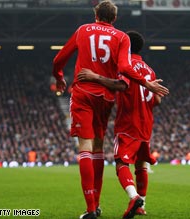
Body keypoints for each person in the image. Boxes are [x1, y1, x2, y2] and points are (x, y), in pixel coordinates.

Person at [52, 1, 169, 219]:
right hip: (106, 97)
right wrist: (148, 83)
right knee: (98, 149)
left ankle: (91, 209)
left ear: (95, 14)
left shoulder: (83, 30)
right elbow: (125, 69)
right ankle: (103, 205)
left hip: (84, 91)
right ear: (114, 19)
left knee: (85, 148)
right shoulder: (122, 38)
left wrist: (59, 77)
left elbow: (59, 59)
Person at [77, 30, 162, 219]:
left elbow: (120, 85)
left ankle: (134, 197)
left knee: (121, 163)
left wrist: (95, 77)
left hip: (128, 123)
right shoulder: (149, 70)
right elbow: (156, 100)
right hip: (146, 122)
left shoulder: (125, 65)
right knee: (141, 164)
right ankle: (142, 205)